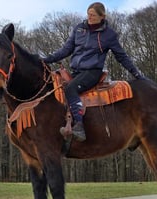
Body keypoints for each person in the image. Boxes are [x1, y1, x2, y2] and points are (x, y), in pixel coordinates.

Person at [43, 2, 146, 142]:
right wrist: (47, 59)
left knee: (71, 88)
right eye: (88, 14)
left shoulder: (109, 35)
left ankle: (79, 126)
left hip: (93, 72)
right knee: (58, 87)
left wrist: (136, 74)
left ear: (102, 16)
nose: (89, 17)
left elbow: (121, 56)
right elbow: (66, 50)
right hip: (76, 71)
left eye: (93, 15)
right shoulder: (79, 29)